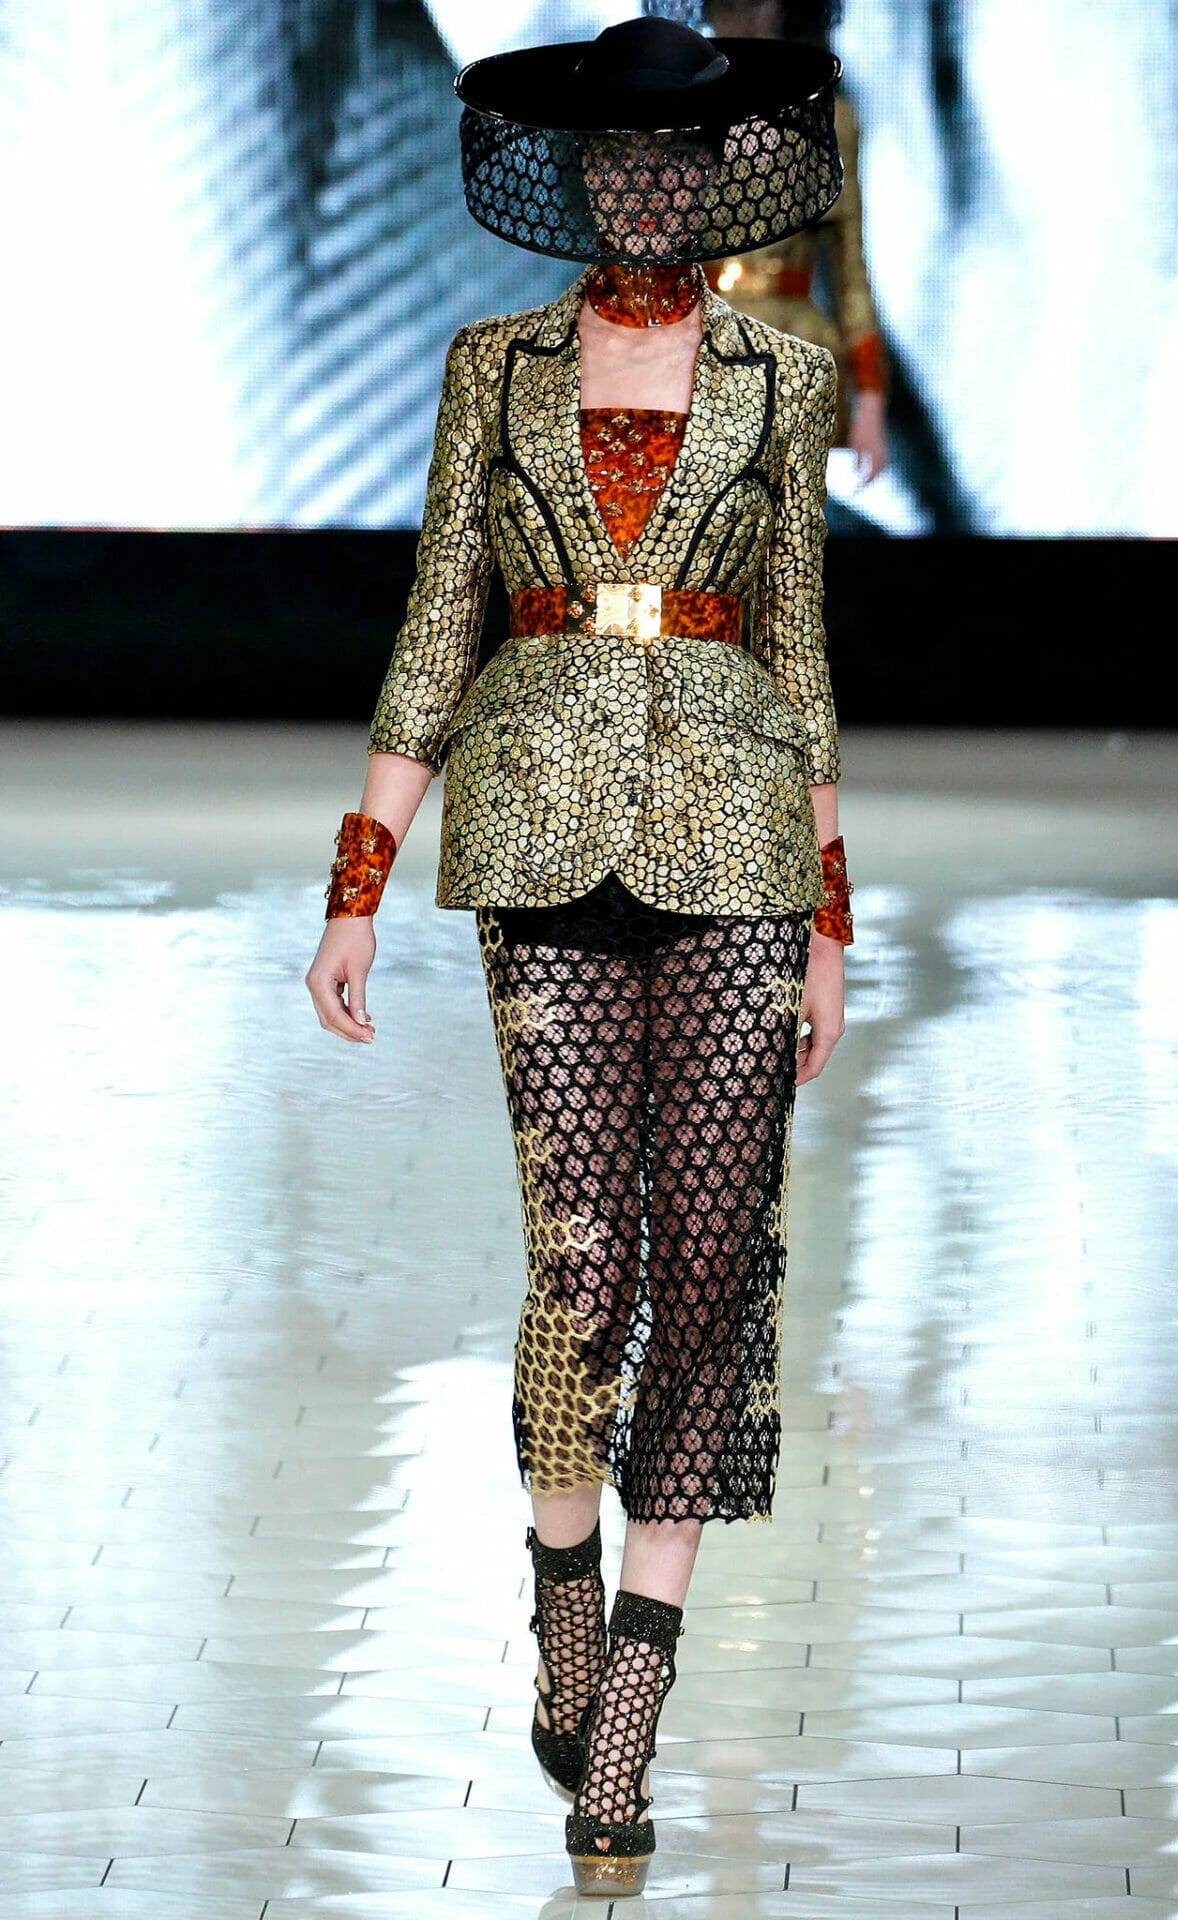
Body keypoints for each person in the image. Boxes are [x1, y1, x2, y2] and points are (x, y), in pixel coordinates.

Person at [304, 13, 855, 1897]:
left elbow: (798, 648)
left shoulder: (782, 374)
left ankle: (626, 1703)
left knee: (709, 1263)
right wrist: (359, 874)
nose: (640, 186)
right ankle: (559, 1579)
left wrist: (831, 915)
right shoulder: (494, 365)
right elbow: (438, 612)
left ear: (708, 177)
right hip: (538, 826)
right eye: (615, 157)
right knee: (583, 1258)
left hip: (738, 840)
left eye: (669, 160)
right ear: (580, 173)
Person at [703, 0, 890, 481]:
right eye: (728, 3)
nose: (745, 19)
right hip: (698, 356)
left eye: (758, 2)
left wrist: (870, 402)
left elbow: (850, 269)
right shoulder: (683, 120)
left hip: (794, 355)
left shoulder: (826, 120)